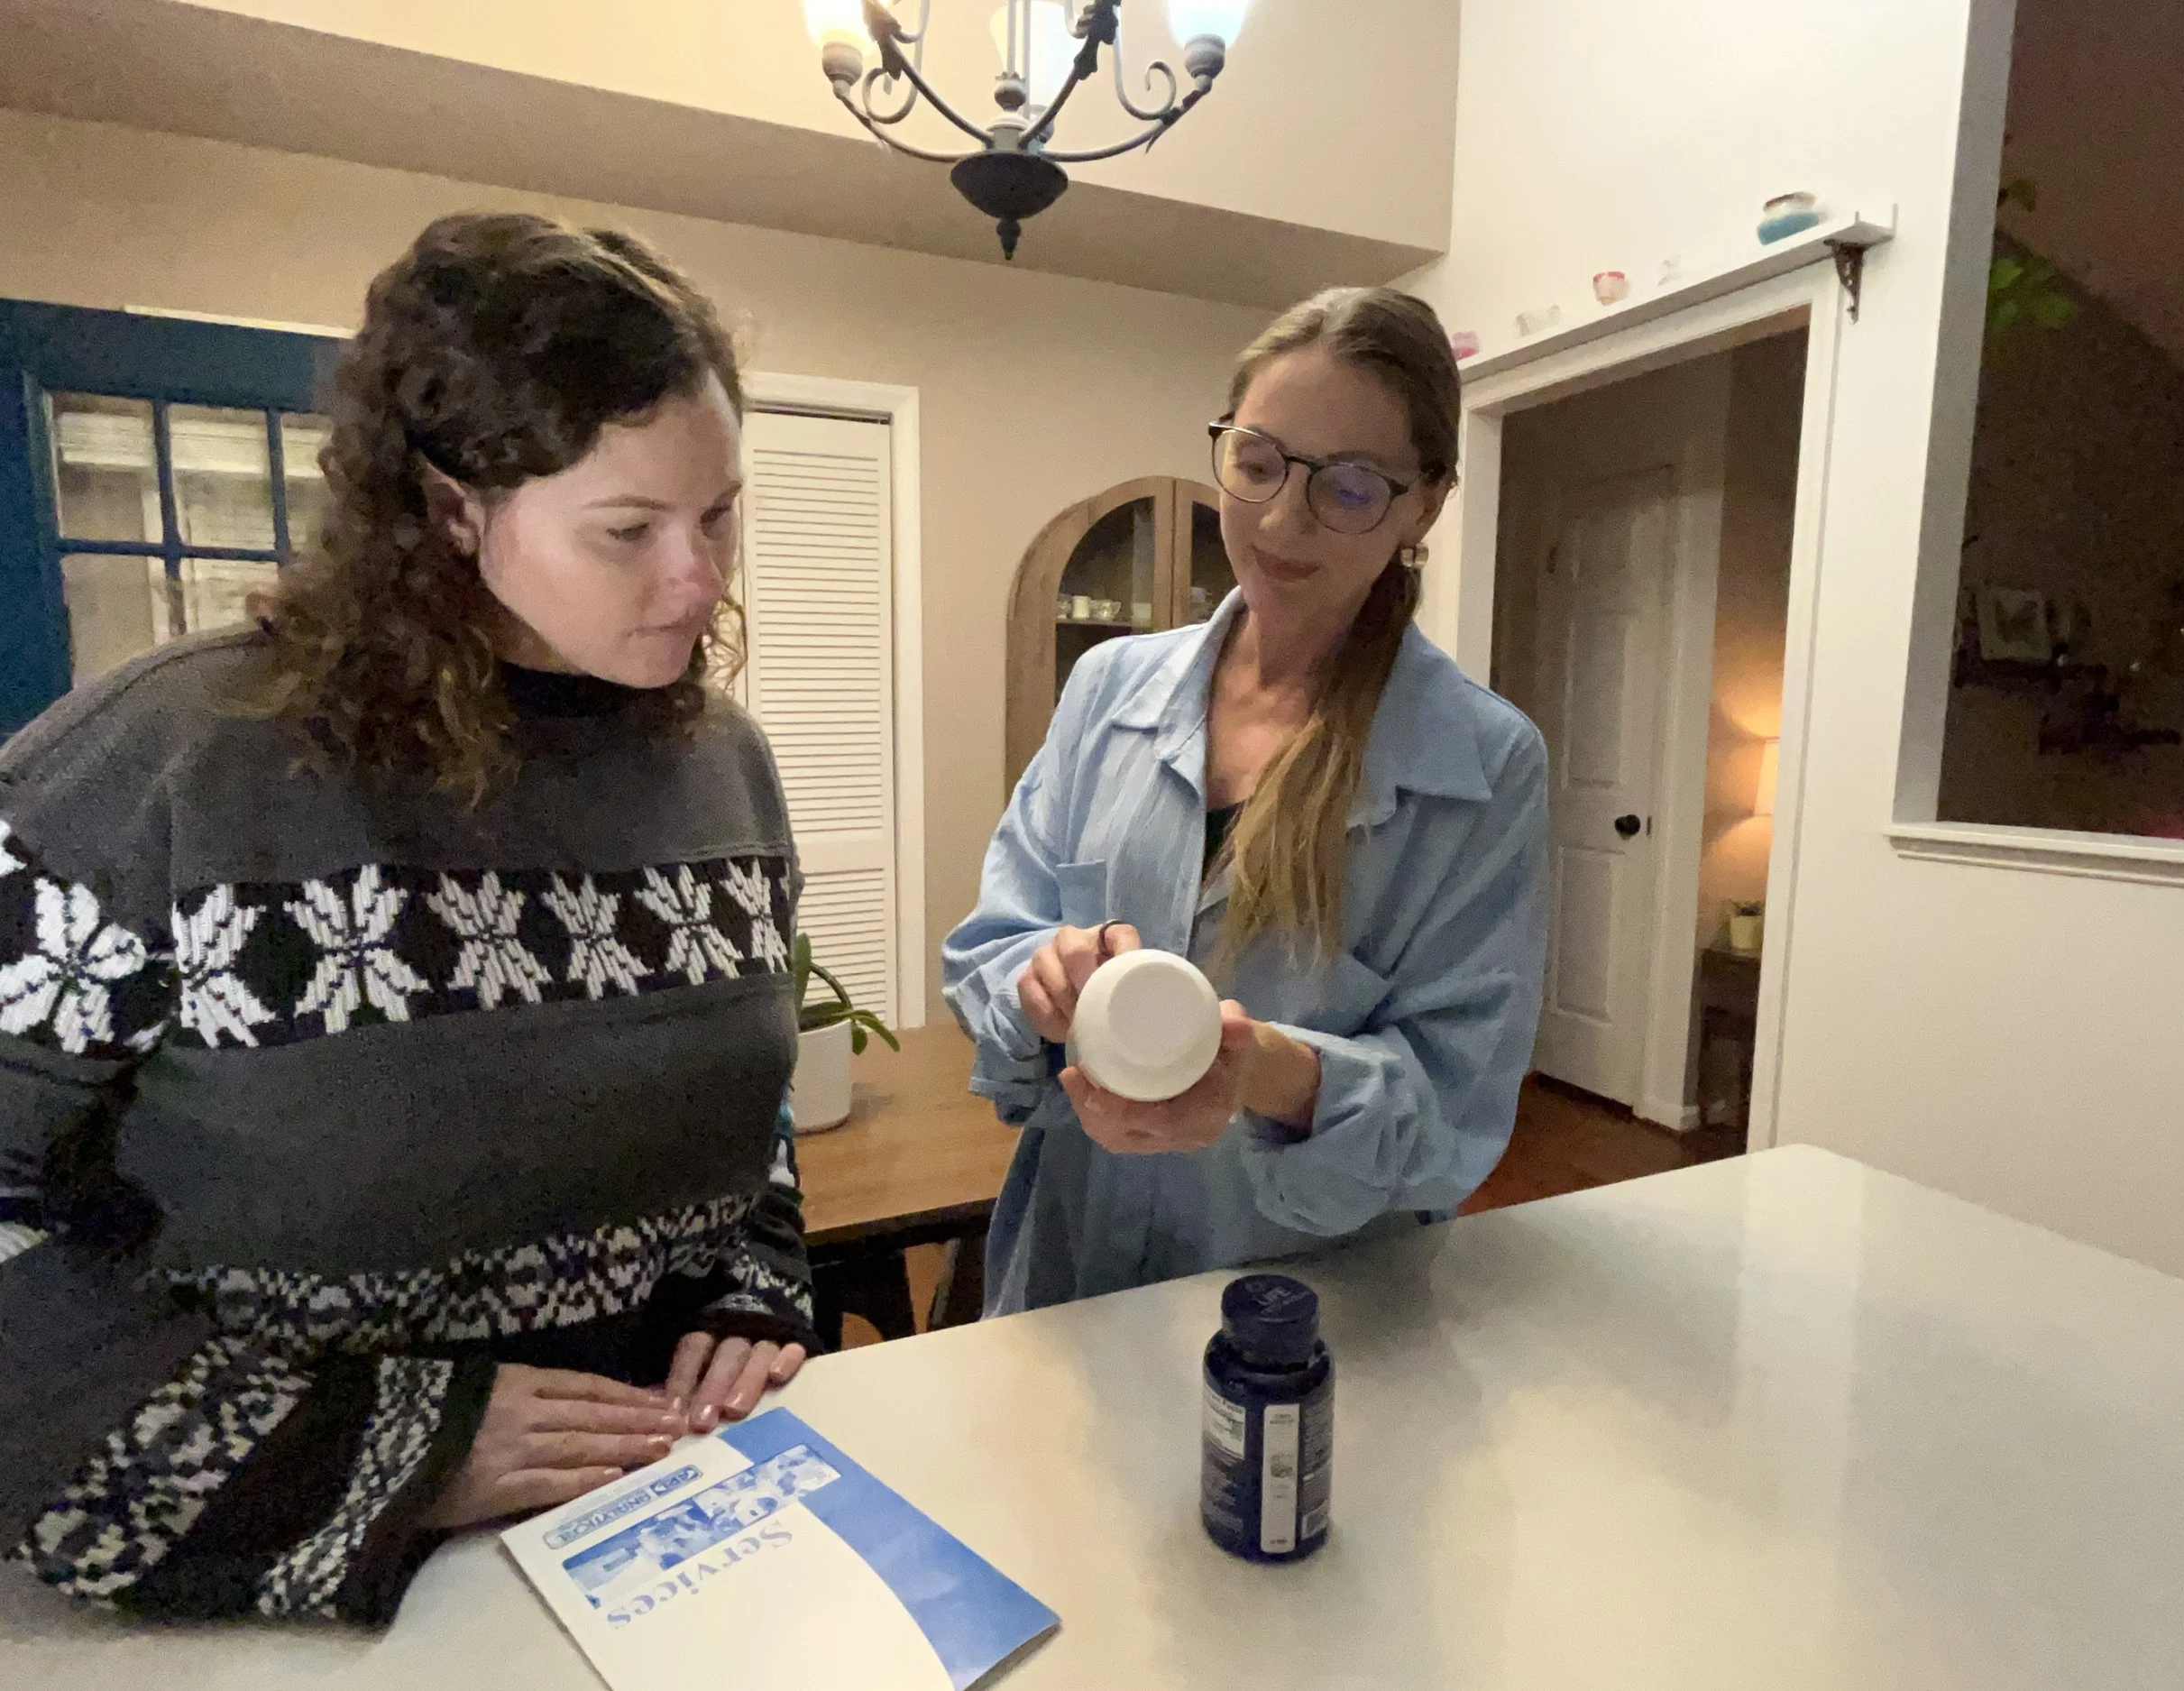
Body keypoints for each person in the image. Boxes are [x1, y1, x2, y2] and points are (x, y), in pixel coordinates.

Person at [0, 212, 816, 1623]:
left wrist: (745, 1280)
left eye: (721, 511)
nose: (700, 578)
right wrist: (389, 1444)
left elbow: (740, 1091)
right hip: (275, 1574)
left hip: (655, 1525)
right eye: (628, 529)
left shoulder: (724, 763)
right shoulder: (172, 761)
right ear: (449, 510)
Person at [943, 287, 1548, 1315]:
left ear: (1426, 501)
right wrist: (1042, 987)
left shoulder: (1481, 767)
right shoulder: (1106, 691)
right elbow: (994, 938)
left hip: (1308, 1319)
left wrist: (1263, 1073)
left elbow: (1453, 1113)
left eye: (1350, 486)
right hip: (1067, 1288)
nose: (1278, 519)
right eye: (1258, 463)